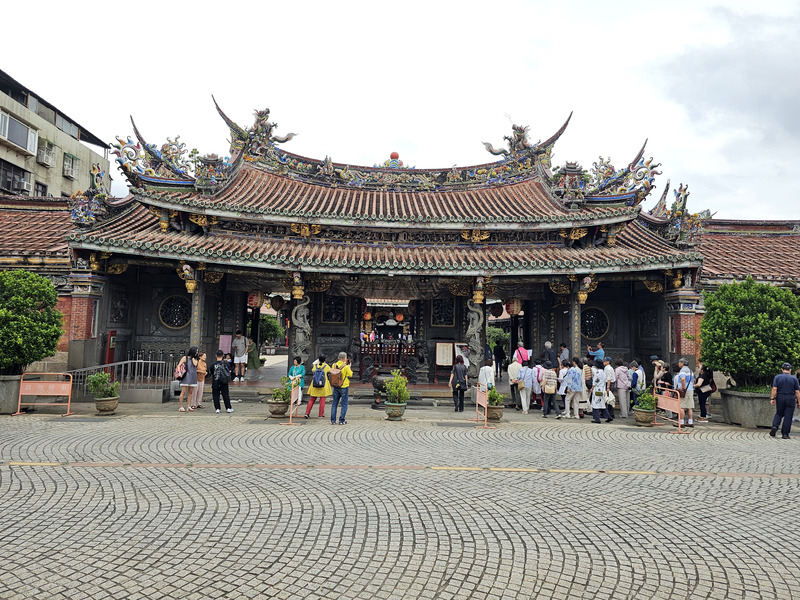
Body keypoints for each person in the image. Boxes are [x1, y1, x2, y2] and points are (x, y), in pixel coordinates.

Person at [770, 362, 800, 439]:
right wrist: (799, 402)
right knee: (788, 416)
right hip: (790, 398)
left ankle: (775, 426)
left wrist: (772, 398)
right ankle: (785, 434)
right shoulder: (794, 379)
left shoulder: (777, 377)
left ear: (782, 369)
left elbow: (774, 389)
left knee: (779, 413)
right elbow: (797, 392)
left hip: (780, 397)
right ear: (790, 370)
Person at [329, 352, 354, 425]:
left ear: (338, 358)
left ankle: (333, 420)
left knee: (334, 403)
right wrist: (349, 367)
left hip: (335, 386)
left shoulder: (334, 365)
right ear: (345, 359)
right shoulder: (346, 367)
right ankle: (341, 420)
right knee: (344, 404)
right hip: (344, 386)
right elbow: (350, 375)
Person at [306, 354, 331, 419]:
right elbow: (329, 370)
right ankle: (320, 415)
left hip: (315, 384)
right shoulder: (326, 366)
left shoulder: (315, 366)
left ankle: (307, 413)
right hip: (323, 385)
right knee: (322, 400)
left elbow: (312, 370)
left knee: (312, 399)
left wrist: (316, 362)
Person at [674, 358, 695, 428]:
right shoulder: (691, 371)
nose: (678, 364)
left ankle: (681, 422)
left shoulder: (683, 370)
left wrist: (683, 387)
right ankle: (690, 422)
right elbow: (693, 380)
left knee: (681, 406)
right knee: (689, 407)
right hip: (690, 389)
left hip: (684, 390)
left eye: (679, 362)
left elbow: (683, 379)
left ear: (682, 363)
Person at [177, 347, 199, 412]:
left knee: (190, 392)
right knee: (183, 392)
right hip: (186, 376)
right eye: (196, 351)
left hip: (193, 376)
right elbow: (179, 365)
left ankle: (188, 406)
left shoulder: (195, 359)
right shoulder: (185, 358)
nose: (196, 353)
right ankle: (181, 406)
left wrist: (193, 358)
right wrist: (179, 372)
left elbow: (195, 364)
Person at [590, 359, 611, 423]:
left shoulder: (597, 372)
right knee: (602, 404)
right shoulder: (603, 372)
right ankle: (608, 416)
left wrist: (592, 388)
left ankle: (597, 419)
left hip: (597, 389)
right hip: (602, 389)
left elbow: (595, 382)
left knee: (595, 404)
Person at [603, 356, 615, 421]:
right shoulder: (607, 368)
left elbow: (609, 379)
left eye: (605, 361)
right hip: (609, 384)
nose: (603, 362)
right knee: (608, 399)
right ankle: (610, 413)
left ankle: (610, 414)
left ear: (608, 362)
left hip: (609, 384)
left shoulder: (608, 368)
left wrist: (608, 387)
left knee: (609, 399)